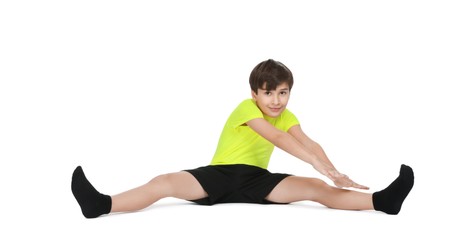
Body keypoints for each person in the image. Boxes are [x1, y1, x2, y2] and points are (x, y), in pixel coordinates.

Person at [71, 59, 414, 219]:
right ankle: (101, 204)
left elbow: (306, 141)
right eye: (269, 93)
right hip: (217, 176)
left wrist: (332, 171)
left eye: (283, 93)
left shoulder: (287, 114)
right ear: (254, 94)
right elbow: (277, 138)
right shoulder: (244, 109)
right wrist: (316, 163)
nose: (277, 101)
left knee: (315, 188)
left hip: (257, 181)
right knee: (163, 182)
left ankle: (382, 202)